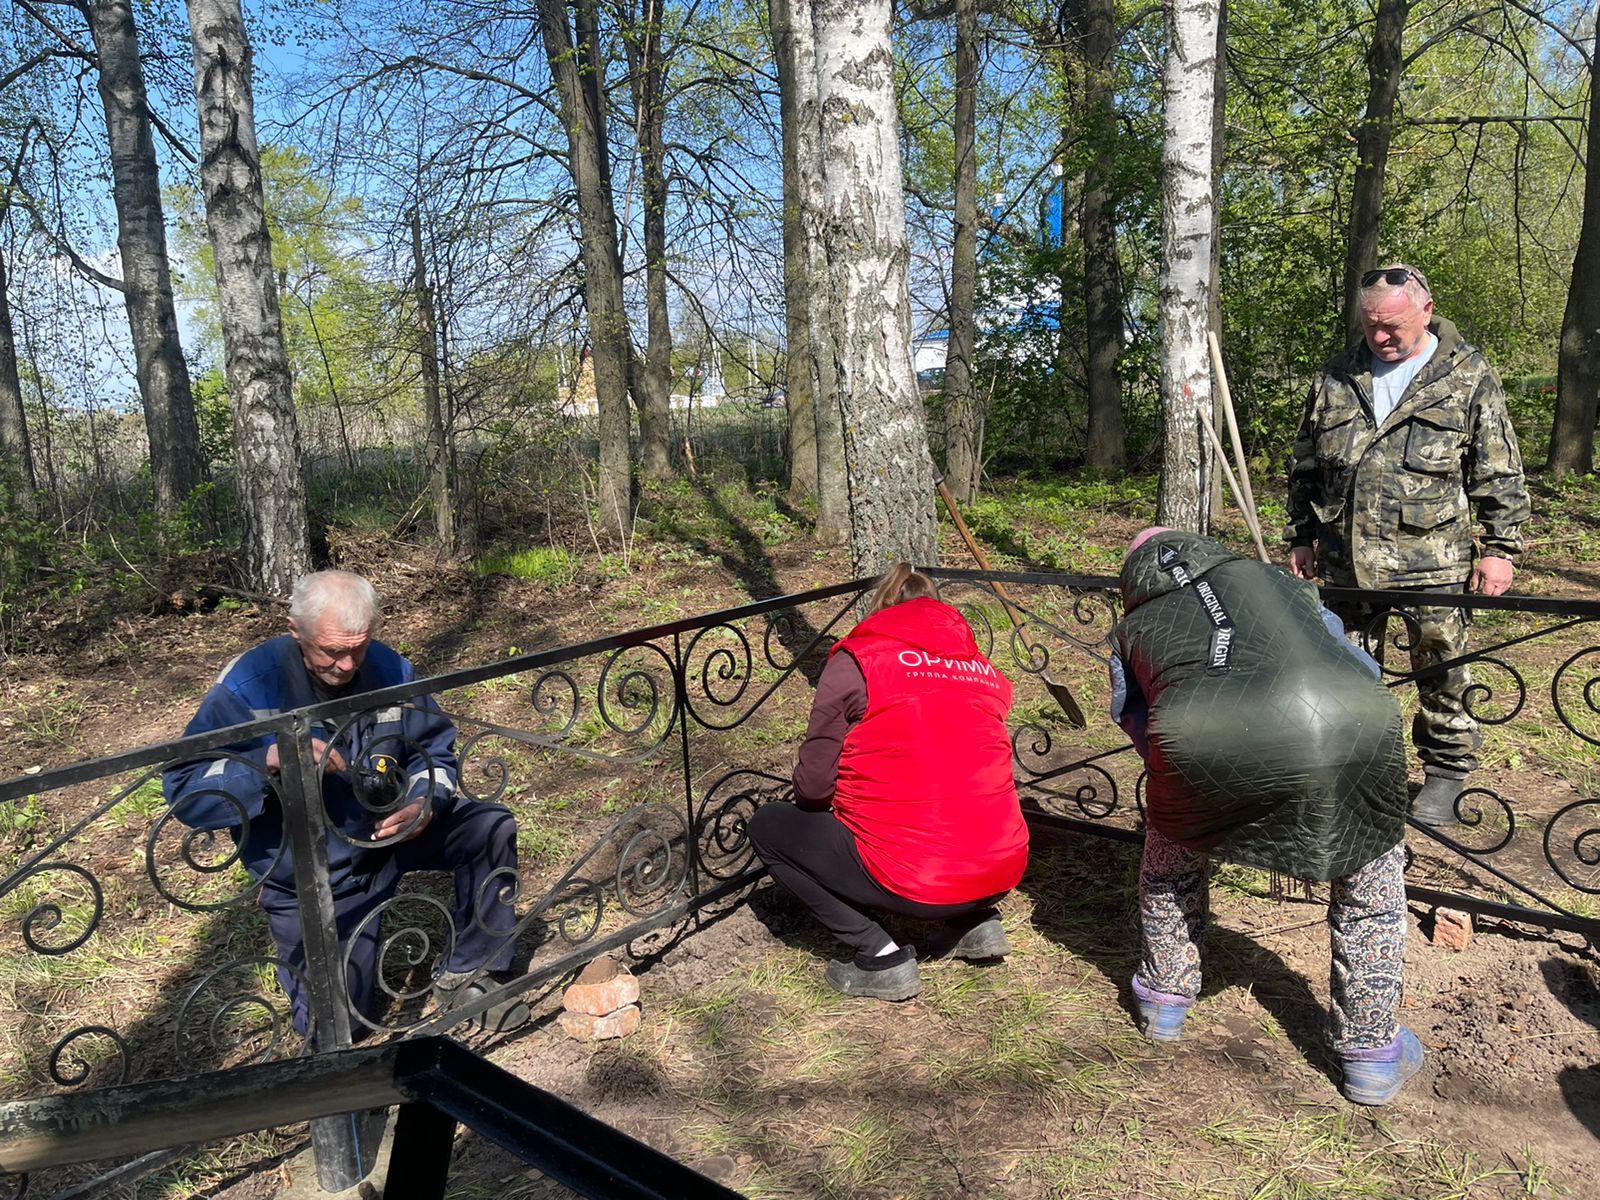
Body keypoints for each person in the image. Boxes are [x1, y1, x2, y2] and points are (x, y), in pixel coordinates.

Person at [1109, 529, 1421, 1105]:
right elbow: (1349, 658)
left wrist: (1184, 781)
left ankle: (1163, 1000)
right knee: (1368, 888)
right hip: (1347, 720)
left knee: (1170, 863)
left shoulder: (1134, 624)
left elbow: (1130, 711)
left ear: (1133, 578)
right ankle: (1371, 1056)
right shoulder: (1278, 584)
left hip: (1197, 736)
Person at [163, 570, 527, 1037]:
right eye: (331, 651)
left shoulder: (391, 669)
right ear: (295, 630)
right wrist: (266, 763)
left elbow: (434, 751)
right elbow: (185, 787)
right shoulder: (250, 685)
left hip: (392, 835)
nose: (346, 665)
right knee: (339, 1027)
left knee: (489, 827)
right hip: (316, 875)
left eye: (358, 647)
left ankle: (472, 976)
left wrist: (425, 800)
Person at [1285, 263, 1530, 826]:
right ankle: (1361, 770)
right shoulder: (1337, 374)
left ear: (1425, 309)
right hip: (1346, 561)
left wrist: (1499, 547)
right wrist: (1300, 535)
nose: (1380, 337)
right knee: (1344, 671)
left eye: (1392, 325)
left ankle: (1445, 775)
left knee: (1441, 668)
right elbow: (1305, 464)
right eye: (1371, 325)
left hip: (1432, 559)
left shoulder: (1465, 375)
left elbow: (1497, 469)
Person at [747, 564, 1029, 1001]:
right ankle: (972, 922)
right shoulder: (984, 672)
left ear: (879, 611)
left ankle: (880, 956)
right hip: (1002, 867)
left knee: (769, 826)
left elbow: (813, 788)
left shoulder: (857, 662)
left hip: (919, 878)